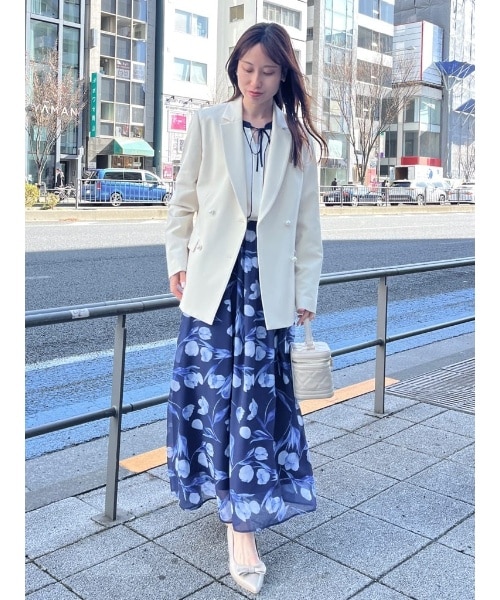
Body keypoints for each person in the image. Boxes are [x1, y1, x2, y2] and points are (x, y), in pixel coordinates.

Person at [165, 22, 327, 595]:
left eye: (268, 71)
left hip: (268, 287)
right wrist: (177, 261)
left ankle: (243, 525)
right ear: (235, 66)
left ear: (284, 77)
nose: (255, 80)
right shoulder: (209, 124)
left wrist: (306, 293)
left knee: (255, 403)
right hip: (213, 281)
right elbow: (183, 203)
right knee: (213, 395)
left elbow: (307, 226)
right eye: (248, 68)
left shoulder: (298, 140)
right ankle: (229, 496)